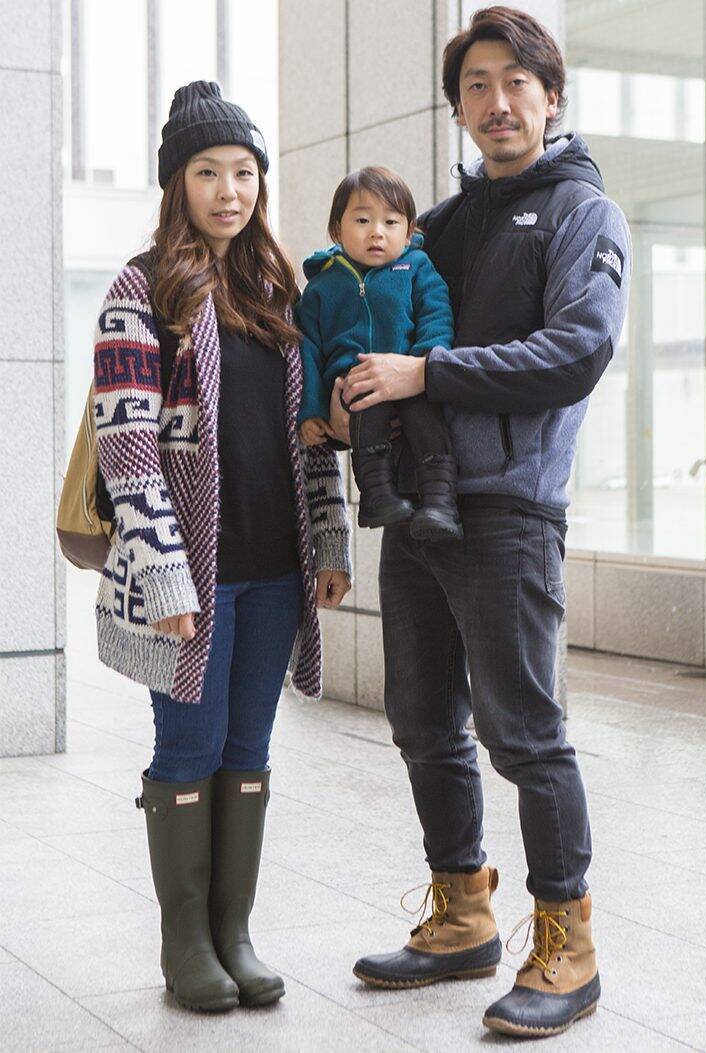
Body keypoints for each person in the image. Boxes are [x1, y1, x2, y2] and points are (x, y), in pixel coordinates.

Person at [336, 6, 630, 1039]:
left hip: (509, 507)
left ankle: (569, 946)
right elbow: (387, 336)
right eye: (476, 86)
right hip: (419, 504)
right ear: (458, 108)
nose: (496, 102)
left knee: (525, 734)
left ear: (551, 96)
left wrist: (428, 372)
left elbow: (575, 352)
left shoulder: (584, 212)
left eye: (515, 82)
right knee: (422, 721)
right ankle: (463, 915)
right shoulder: (443, 227)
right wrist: (348, 394)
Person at [92, 80, 351, 1014]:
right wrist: (163, 571)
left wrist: (329, 536)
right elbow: (126, 441)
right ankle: (186, 943)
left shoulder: (281, 292)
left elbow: (311, 432)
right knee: (189, 746)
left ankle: (234, 933)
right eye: (208, 172)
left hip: (275, 568)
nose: (229, 191)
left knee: (248, 746)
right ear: (178, 183)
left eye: (244, 172)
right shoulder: (142, 288)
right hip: (189, 577)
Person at [296, 167, 462, 541]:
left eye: (391, 222)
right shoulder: (322, 286)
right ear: (336, 229)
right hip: (353, 384)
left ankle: (440, 503)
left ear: (409, 231)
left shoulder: (416, 268)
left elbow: (437, 315)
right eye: (362, 220)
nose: (377, 232)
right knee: (365, 413)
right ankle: (377, 497)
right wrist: (312, 409)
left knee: (428, 424)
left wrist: (422, 365)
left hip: (411, 379)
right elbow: (308, 352)